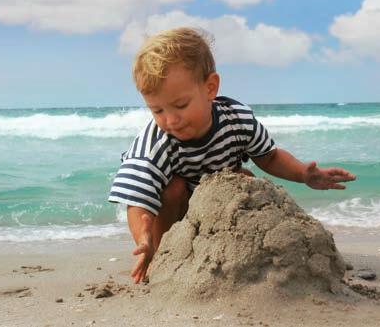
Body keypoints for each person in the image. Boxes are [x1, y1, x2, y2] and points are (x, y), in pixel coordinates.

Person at [108, 27, 356, 284]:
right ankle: (163, 258)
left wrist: (303, 173)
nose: (171, 120)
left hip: (218, 213)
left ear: (210, 88)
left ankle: (246, 258)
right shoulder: (154, 145)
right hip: (177, 215)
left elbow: (268, 157)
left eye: (181, 105)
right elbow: (138, 203)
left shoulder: (236, 119)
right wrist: (144, 238)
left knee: (244, 177)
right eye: (157, 110)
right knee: (173, 187)